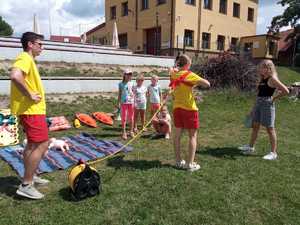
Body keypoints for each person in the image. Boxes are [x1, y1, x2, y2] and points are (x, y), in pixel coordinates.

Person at [10, 32, 49, 199]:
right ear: (30, 44)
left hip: (31, 110)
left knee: (33, 145)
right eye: (40, 44)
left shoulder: (28, 59)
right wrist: (29, 95)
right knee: (42, 144)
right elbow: (15, 75)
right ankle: (26, 184)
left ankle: (30, 176)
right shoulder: (25, 57)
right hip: (31, 110)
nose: (42, 47)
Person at [238, 59, 289, 160]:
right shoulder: (262, 78)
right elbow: (259, 94)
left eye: (262, 67)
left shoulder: (272, 79)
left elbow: (286, 91)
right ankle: (250, 147)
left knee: (270, 128)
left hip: (267, 105)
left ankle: (273, 153)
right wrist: (253, 109)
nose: (260, 69)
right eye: (260, 67)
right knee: (255, 126)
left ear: (268, 68)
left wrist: (274, 98)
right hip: (258, 104)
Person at [170, 54, 210, 172]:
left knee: (177, 136)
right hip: (189, 109)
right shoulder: (190, 75)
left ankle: (178, 161)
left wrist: (176, 69)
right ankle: (189, 164)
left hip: (177, 108)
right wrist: (195, 81)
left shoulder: (173, 73)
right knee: (192, 136)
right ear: (187, 64)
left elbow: (171, 70)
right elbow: (207, 84)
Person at [118, 69, 135, 140]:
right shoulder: (121, 84)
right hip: (123, 103)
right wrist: (118, 102)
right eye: (127, 74)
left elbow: (134, 92)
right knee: (124, 118)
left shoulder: (132, 83)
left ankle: (131, 131)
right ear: (124, 75)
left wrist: (133, 96)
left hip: (131, 103)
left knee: (131, 117)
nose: (129, 76)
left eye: (130, 74)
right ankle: (124, 132)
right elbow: (120, 93)